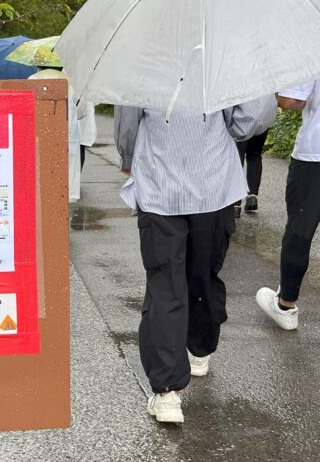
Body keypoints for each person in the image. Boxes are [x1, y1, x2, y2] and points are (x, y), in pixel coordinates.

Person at [116, 97, 277, 424]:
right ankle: (199, 349)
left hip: (159, 185)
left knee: (165, 284)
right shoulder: (219, 49)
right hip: (214, 183)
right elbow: (254, 115)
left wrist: (128, 154)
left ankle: (167, 394)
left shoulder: (145, 51)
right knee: (203, 273)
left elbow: (127, 115)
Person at [255, 68, 320, 376]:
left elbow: (290, 101)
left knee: (300, 232)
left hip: (319, 151)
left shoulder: (318, 39)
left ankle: (286, 305)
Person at [28, 68, 95, 202]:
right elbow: (82, 111)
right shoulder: (73, 81)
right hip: (67, 134)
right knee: (66, 168)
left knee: (41, 166)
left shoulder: (32, 79)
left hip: (40, 132)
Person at [233, 129, 268, 217]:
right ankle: (252, 196)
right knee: (254, 155)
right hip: (260, 121)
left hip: (241, 123)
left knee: (237, 159)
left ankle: (235, 204)